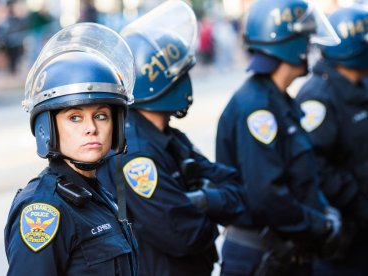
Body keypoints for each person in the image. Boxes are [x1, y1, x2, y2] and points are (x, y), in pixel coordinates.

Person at [98, 1, 245, 275]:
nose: (187, 82)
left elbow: (234, 186)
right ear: (161, 82)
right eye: (181, 75)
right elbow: (183, 234)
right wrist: (211, 205)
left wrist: (201, 200)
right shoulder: (136, 152)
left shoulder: (169, 137)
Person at [216, 0, 343, 275]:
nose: (309, 47)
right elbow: (268, 195)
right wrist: (319, 224)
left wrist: (322, 212)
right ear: (289, 45)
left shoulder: (279, 100)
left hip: (283, 251)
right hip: (262, 255)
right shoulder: (258, 109)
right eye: (305, 38)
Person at [4, 23, 138, 275]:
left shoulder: (97, 195)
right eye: (75, 117)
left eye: (101, 116)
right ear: (48, 129)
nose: (91, 128)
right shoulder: (44, 209)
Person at [295, 6, 368, 275]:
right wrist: (359, 202)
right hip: (345, 238)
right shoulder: (318, 97)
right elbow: (316, 165)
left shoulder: (361, 83)